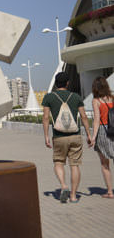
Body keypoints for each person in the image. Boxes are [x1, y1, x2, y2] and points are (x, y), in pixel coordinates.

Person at [42, 72, 92, 203]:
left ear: (56, 83)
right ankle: (74, 196)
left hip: (58, 137)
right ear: (67, 83)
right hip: (75, 135)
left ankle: (64, 185)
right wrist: (89, 135)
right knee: (74, 165)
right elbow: (84, 116)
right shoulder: (75, 97)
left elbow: (46, 118)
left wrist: (46, 136)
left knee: (58, 162)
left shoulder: (49, 97)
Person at [91, 76, 114, 198]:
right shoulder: (113, 98)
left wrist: (93, 138)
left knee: (105, 164)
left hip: (103, 132)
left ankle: (110, 192)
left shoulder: (96, 101)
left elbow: (96, 121)